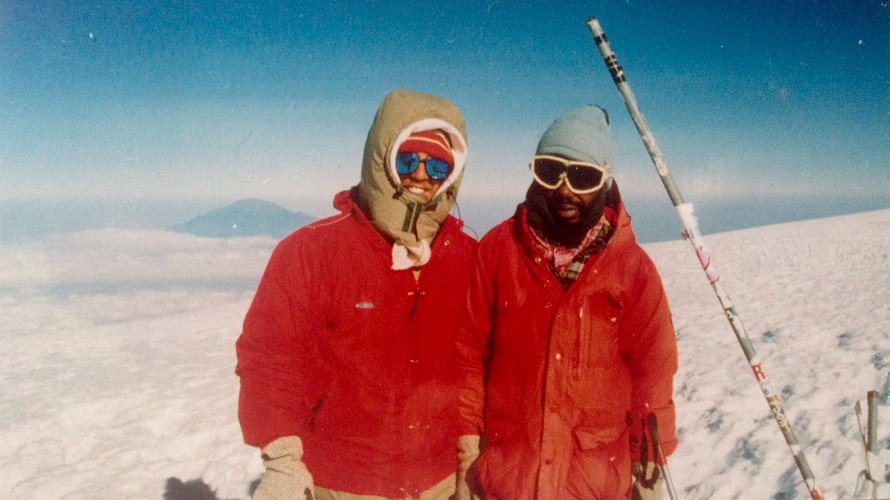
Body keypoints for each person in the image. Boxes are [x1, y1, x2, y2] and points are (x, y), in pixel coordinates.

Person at [236, 89, 476, 500]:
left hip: (440, 482)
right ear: (381, 159)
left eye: (437, 165)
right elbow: (271, 358)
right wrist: (283, 463)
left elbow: (478, 364)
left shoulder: (467, 257)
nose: (421, 175)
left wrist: (472, 451)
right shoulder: (312, 252)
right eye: (407, 159)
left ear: (451, 177)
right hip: (344, 483)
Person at [454, 105, 678, 500]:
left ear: (605, 181)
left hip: (593, 483)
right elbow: (470, 355)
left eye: (582, 176)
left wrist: (650, 461)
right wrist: (468, 448)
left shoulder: (631, 269)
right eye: (549, 170)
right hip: (510, 479)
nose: (564, 189)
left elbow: (653, 372)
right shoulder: (498, 251)